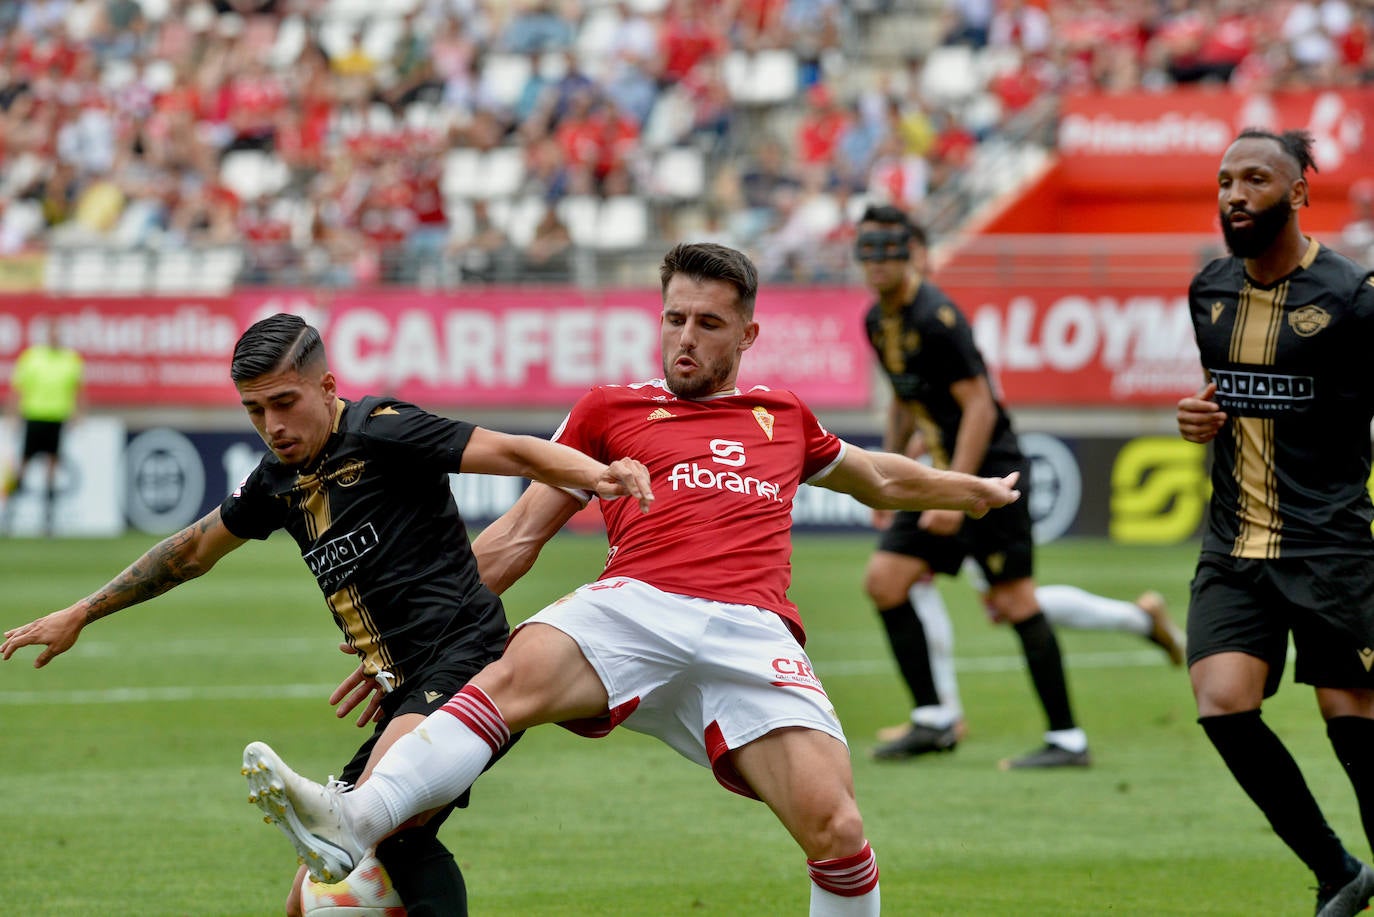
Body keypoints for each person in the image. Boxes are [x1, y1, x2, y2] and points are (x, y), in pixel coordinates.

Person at [234, 243, 1022, 916]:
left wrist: (972, 487)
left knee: (839, 830)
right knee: (518, 672)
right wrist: (414, 645)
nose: (685, 337)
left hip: (753, 627)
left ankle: (362, 816)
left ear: (748, 333)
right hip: (638, 604)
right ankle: (353, 816)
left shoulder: (783, 415)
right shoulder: (610, 410)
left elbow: (878, 478)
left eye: (708, 323)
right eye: (674, 318)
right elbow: (517, 535)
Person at [0, 313, 653, 917]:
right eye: (255, 410)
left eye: (285, 402)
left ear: (327, 386)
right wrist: (82, 612)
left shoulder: (383, 430)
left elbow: (511, 452)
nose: (273, 424)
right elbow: (193, 549)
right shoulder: (276, 481)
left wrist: (596, 474)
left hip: (471, 662)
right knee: (310, 895)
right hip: (402, 685)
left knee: (369, 828)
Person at [852, 205, 1187, 761]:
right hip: (943, 470)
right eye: (869, 251)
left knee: (1014, 600)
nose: (878, 263)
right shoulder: (877, 321)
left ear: (910, 253)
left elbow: (980, 408)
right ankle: (934, 719)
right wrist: (883, 476)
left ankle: (1067, 738)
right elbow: (907, 404)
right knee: (886, 580)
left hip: (989, 472)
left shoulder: (937, 317)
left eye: (889, 249)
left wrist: (959, 495)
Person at [1176, 127, 1374, 917]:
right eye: (1225, 180)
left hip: (1328, 540)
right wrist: (1199, 417)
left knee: (1349, 716)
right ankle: (1338, 870)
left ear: (1297, 193)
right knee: (1222, 699)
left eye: (1255, 179)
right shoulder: (1208, 289)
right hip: (1234, 539)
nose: (1234, 194)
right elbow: (1221, 393)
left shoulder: (1352, 297)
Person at [2, 326, 84, 536]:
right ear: (46, 335)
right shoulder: (31, 357)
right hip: (34, 416)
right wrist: (13, 416)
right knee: (23, 467)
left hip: (56, 418)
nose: (55, 336)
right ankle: (9, 515)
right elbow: (18, 388)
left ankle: (48, 521)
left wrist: (77, 412)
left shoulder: (70, 359)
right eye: (52, 332)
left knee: (51, 470)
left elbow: (77, 389)